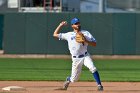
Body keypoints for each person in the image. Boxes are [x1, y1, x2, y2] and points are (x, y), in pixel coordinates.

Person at [53, 18, 103, 91]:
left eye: (78, 23)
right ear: (72, 26)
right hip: (76, 59)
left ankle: (99, 85)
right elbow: (54, 34)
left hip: (85, 55)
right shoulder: (68, 35)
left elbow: (94, 44)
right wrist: (60, 25)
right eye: (76, 24)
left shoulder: (86, 33)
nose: (78, 25)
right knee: (74, 79)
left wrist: (86, 40)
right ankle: (68, 79)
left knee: (93, 68)